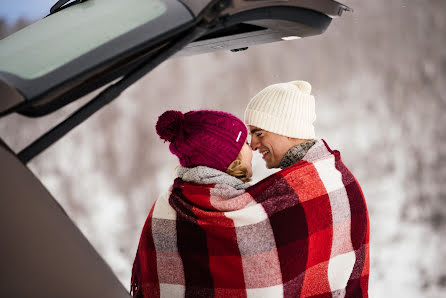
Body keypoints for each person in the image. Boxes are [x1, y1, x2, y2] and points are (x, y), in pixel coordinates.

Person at [244, 80, 370, 296]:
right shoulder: (332, 173)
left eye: (259, 133)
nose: (253, 145)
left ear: (286, 129)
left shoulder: (306, 185)